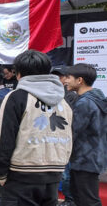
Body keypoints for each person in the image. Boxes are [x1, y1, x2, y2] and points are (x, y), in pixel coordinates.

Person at [0, 50, 73, 205]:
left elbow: (5, 138)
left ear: (19, 74)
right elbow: (70, 137)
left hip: (21, 176)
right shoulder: (63, 102)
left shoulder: (16, 97)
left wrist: (1, 175)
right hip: (54, 175)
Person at [65, 64, 107, 206]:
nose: (65, 80)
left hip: (84, 160)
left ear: (79, 80)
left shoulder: (85, 103)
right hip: (92, 158)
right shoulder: (98, 98)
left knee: (87, 200)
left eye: (69, 77)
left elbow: (72, 131)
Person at [51, 65, 78, 206]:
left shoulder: (71, 96)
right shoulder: (49, 93)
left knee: (66, 174)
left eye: (60, 76)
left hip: (66, 140)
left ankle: (70, 200)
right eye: (54, 76)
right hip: (50, 138)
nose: (57, 79)